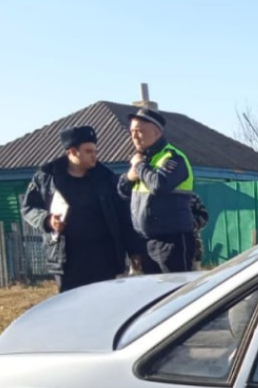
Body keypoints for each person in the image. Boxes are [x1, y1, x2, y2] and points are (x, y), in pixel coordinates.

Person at [20, 125, 138, 292]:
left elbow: (122, 215)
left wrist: (133, 250)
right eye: (88, 151)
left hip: (103, 259)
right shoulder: (48, 177)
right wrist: (47, 220)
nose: (94, 156)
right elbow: (29, 208)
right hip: (67, 259)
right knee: (72, 308)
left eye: (95, 151)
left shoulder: (105, 177)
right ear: (72, 152)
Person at [117, 107, 198, 274]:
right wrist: (128, 177)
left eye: (139, 131)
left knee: (176, 292)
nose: (134, 136)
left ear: (155, 132)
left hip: (172, 242)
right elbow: (121, 191)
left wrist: (139, 167)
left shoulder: (173, 158)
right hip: (146, 242)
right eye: (131, 131)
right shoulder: (144, 160)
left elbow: (159, 185)